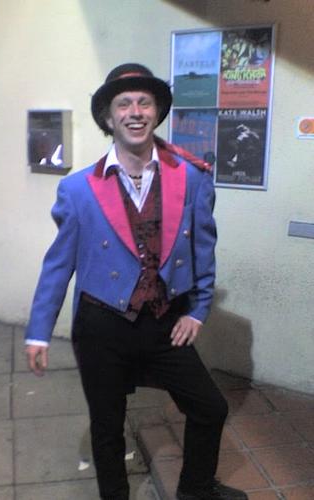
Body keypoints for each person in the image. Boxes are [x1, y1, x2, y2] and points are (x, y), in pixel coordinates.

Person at [25, 63, 248, 500]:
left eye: (144, 102)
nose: (135, 111)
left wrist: (199, 312)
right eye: (123, 103)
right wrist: (39, 332)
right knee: (107, 426)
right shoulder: (78, 189)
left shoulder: (191, 178)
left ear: (157, 112)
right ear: (108, 118)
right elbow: (58, 266)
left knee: (209, 407)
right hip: (102, 325)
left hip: (164, 321)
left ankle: (196, 490)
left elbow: (205, 250)